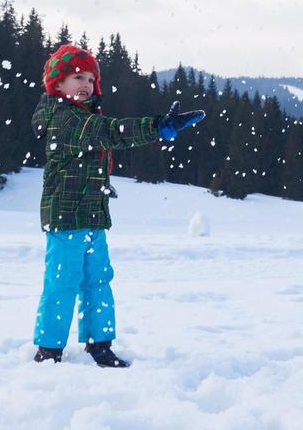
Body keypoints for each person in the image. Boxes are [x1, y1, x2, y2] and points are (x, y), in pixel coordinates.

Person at [31, 42, 203, 366]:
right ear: (57, 83)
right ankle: (49, 348)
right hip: (66, 219)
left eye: (90, 80)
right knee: (62, 282)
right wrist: (156, 127)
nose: (85, 85)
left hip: (93, 217)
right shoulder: (63, 119)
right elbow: (109, 131)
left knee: (98, 280)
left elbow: (104, 133)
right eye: (77, 77)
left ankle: (100, 344)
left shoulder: (81, 116)